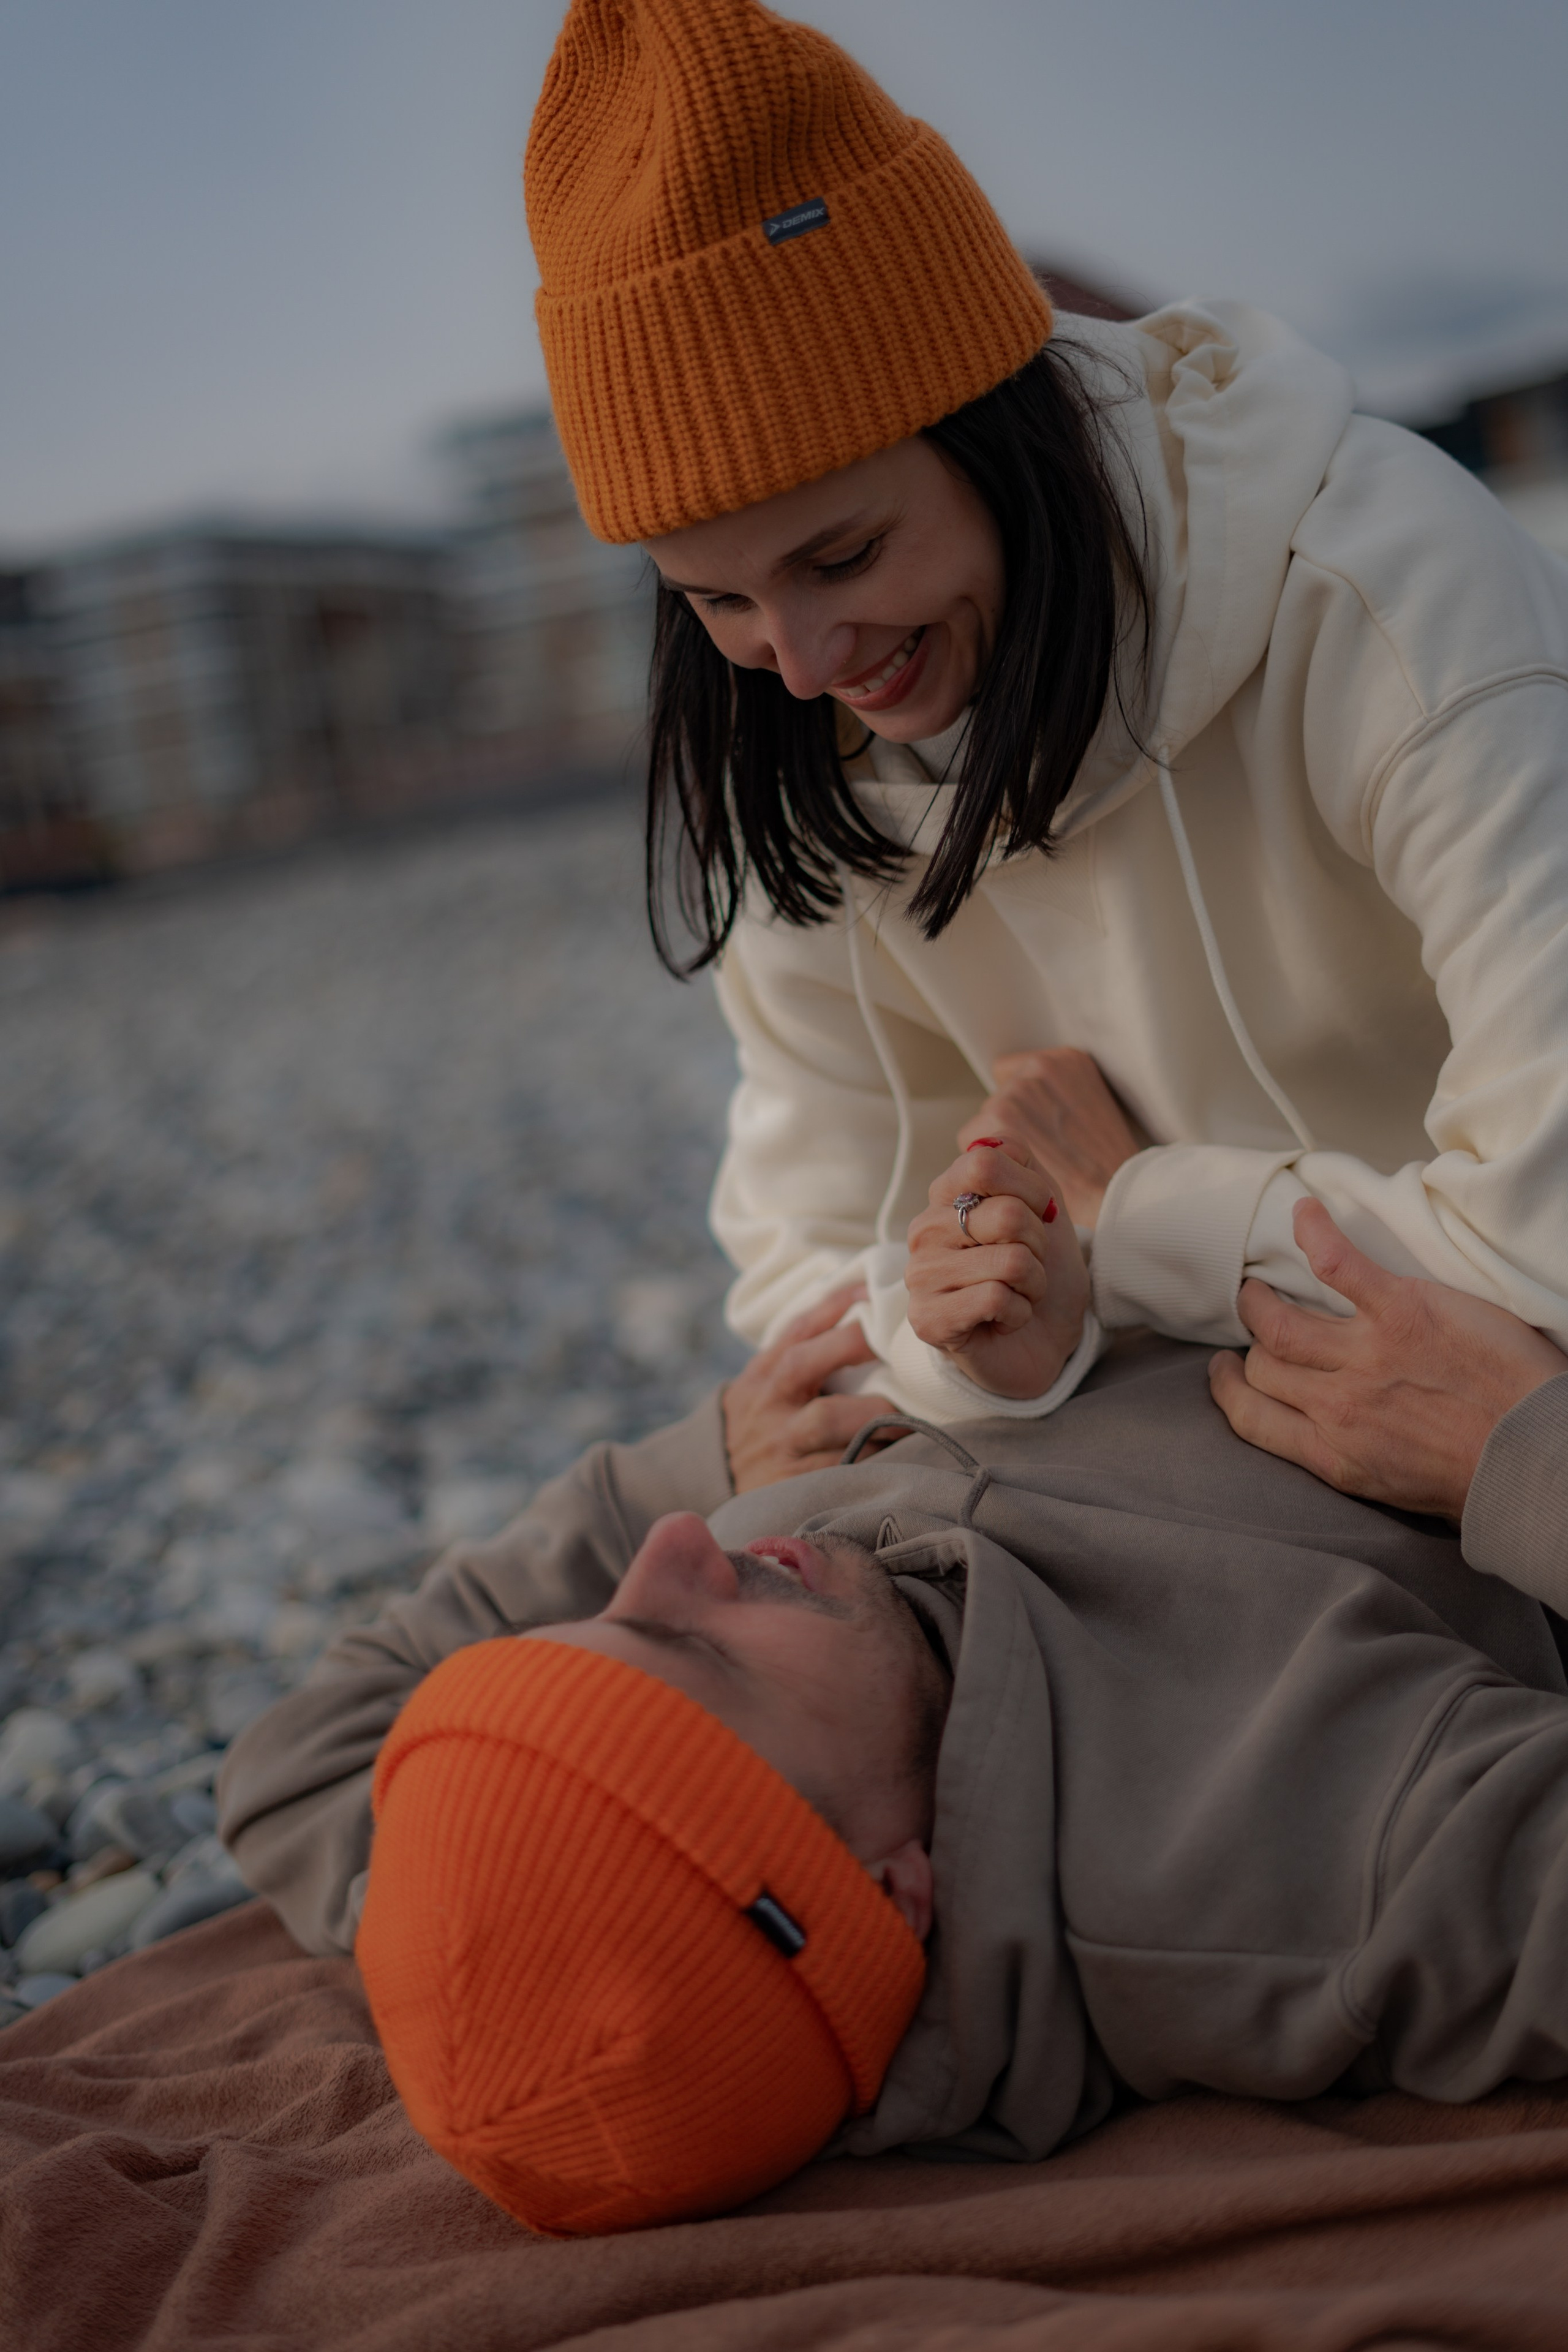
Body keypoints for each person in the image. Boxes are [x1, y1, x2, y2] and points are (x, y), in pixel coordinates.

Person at [522, 0, 1568, 1458]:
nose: (804, 665)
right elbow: (815, 1296)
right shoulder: (784, 743)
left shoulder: (1384, 591)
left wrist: (1137, 1216)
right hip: (1201, 1446)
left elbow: (1546, 1245)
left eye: (840, 558)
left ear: (1001, 429)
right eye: (716, 598)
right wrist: (986, 1343)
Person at [218, 1199, 1568, 2235]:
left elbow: (300, 1763)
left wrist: (684, 1466)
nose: (687, 1546)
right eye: (693, 1645)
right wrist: (1521, 1454)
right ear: (894, 1893)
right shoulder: (1292, 1863)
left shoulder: (773, 1664)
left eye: (612, 1610)